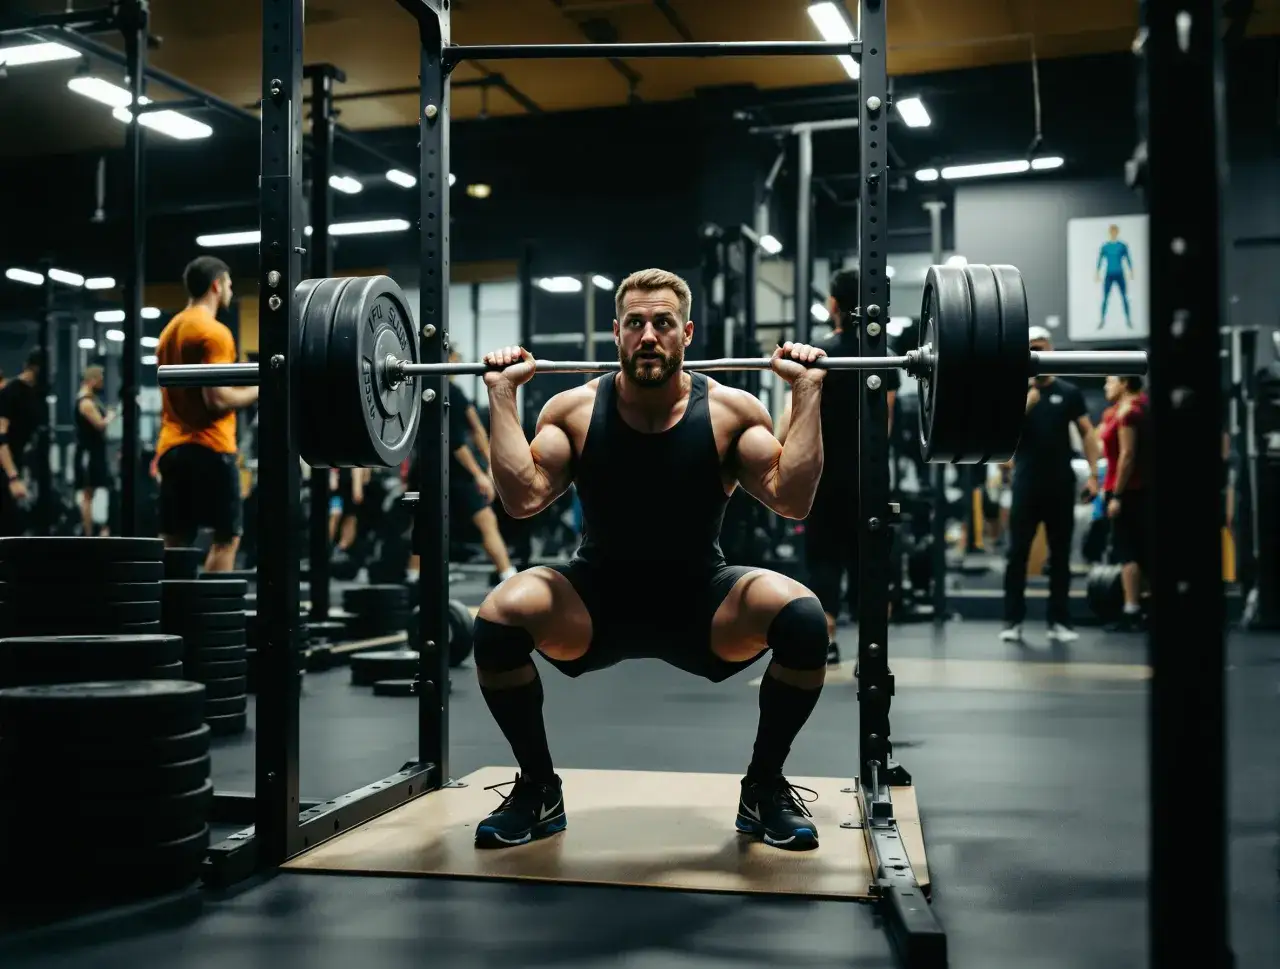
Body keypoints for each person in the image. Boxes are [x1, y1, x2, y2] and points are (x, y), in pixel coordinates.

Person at [472, 268, 832, 852]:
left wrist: (808, 391)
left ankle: (763, 788)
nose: (648, 336)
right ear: (616, 333)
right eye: (635, 323)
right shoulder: (574, 409)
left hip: (701, 603)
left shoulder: (730, 412)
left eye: (663, 323)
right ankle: (538, 788)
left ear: (686, 333)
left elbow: (791, 499)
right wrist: (500, 394)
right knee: (498, 615)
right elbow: (523, 498)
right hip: (596, 602)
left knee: (804, 618)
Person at [778, 267, 898, 665]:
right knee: (871, 562)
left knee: (823, 559)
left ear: (833, 304)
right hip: (869, 475)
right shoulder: (882, 355)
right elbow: (886, 422)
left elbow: (792, 420)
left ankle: (827, 639)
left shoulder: (818, 354)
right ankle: (873, 650)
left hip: (823, 476)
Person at [155, 256, 257, 571]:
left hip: (173, 448)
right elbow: (217, 400)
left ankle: (175, 614)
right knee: (226, 538)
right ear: (216, 285)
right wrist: (261, 388)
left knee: (176, 540)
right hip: (211, 448)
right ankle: (211, 618)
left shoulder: (170, 330)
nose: (229, 290)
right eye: (227, 284)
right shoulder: (214, 332)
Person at [1001, 327, 1099, 643]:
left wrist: (1095, 474)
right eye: (1030, 348)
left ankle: (1059, 621)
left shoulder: (1069, 393)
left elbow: (1087, 432)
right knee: (1017, 555)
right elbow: (1004, 437)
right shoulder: (1015, 394)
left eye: (1041, 348)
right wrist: (1027, 402)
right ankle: (1013, 621)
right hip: (1026, 485)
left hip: (1060, 484)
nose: (1036, 354)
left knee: (1060, 556)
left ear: (1051, 351)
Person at [406, 360, 517, 585]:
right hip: (444, 470)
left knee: (426, 523)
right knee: (479, 520)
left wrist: (491, 464)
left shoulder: (452, 392)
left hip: (440, 470)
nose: (458, 363)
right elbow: (456, 443)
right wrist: (479, 474)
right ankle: (508, 576)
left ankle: (413, 577)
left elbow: (476, 428)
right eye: (455, 358)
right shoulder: (435, 392)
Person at [1099, 374, 1149, 631]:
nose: (1106, 386)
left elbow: (1127, 456)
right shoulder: (1122, 411)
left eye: (1110, 381)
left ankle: (1131, 610)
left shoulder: (1129, 413)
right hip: (1135, 489)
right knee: (1138, 550)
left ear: (1125, 383)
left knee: (1127, 551)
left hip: (1127, 490)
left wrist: (1116, 495)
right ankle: (1138, 606)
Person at [0, 350, 44, 537]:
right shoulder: (10, 393)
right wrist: (12, 477)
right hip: (5, 466)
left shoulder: (33, 394)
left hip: (18, 462)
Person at [74, 364, 117, 536]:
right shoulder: (85, 402)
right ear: (92, 380)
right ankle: (89, 533)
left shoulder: (91, 400)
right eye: (100, 380)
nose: (102, 383)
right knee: (87, 494)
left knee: (94, 492)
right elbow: (99, 424)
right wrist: (111, 417)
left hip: (94, 452)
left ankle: (96, 530)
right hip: (88, 454)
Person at [1096, 224, 1134, 331]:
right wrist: (1097, 273)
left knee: (1124, 297)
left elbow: (1128, 258)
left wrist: (1131, 271)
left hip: (1119, 274)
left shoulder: (1122, 246)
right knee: (1105, 298)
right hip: (1109, 275)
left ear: (1117, 232)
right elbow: (1100, 260)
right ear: (1110, 232)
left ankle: (1128, 320)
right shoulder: (1105, 246)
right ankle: (1102, 320)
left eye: (1115, 231)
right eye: (1111, 231)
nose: (1113, 233)